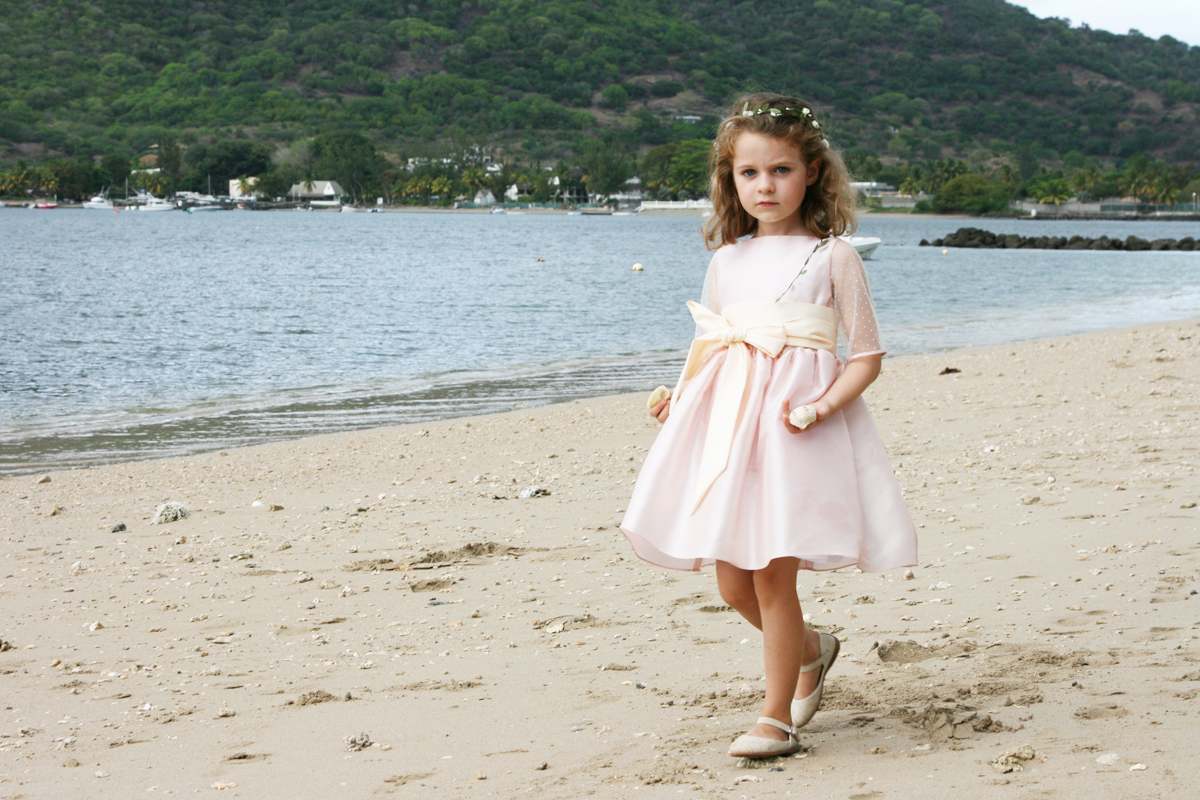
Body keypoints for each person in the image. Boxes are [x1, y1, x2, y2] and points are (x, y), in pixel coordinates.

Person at [620, 92, 918, 759]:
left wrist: (819, 408)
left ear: (812, 171)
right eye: (748, 172)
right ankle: (813, 649)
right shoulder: (728, 259)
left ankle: (775, 716)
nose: (764, 185)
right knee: (732, 582)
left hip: (794, 431)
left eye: (780, 170)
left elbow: (866, 356)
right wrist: (680, 397)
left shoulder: (834, 257)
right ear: (731, 178)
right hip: (728, 426)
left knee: (773, 576)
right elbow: (712, 340)